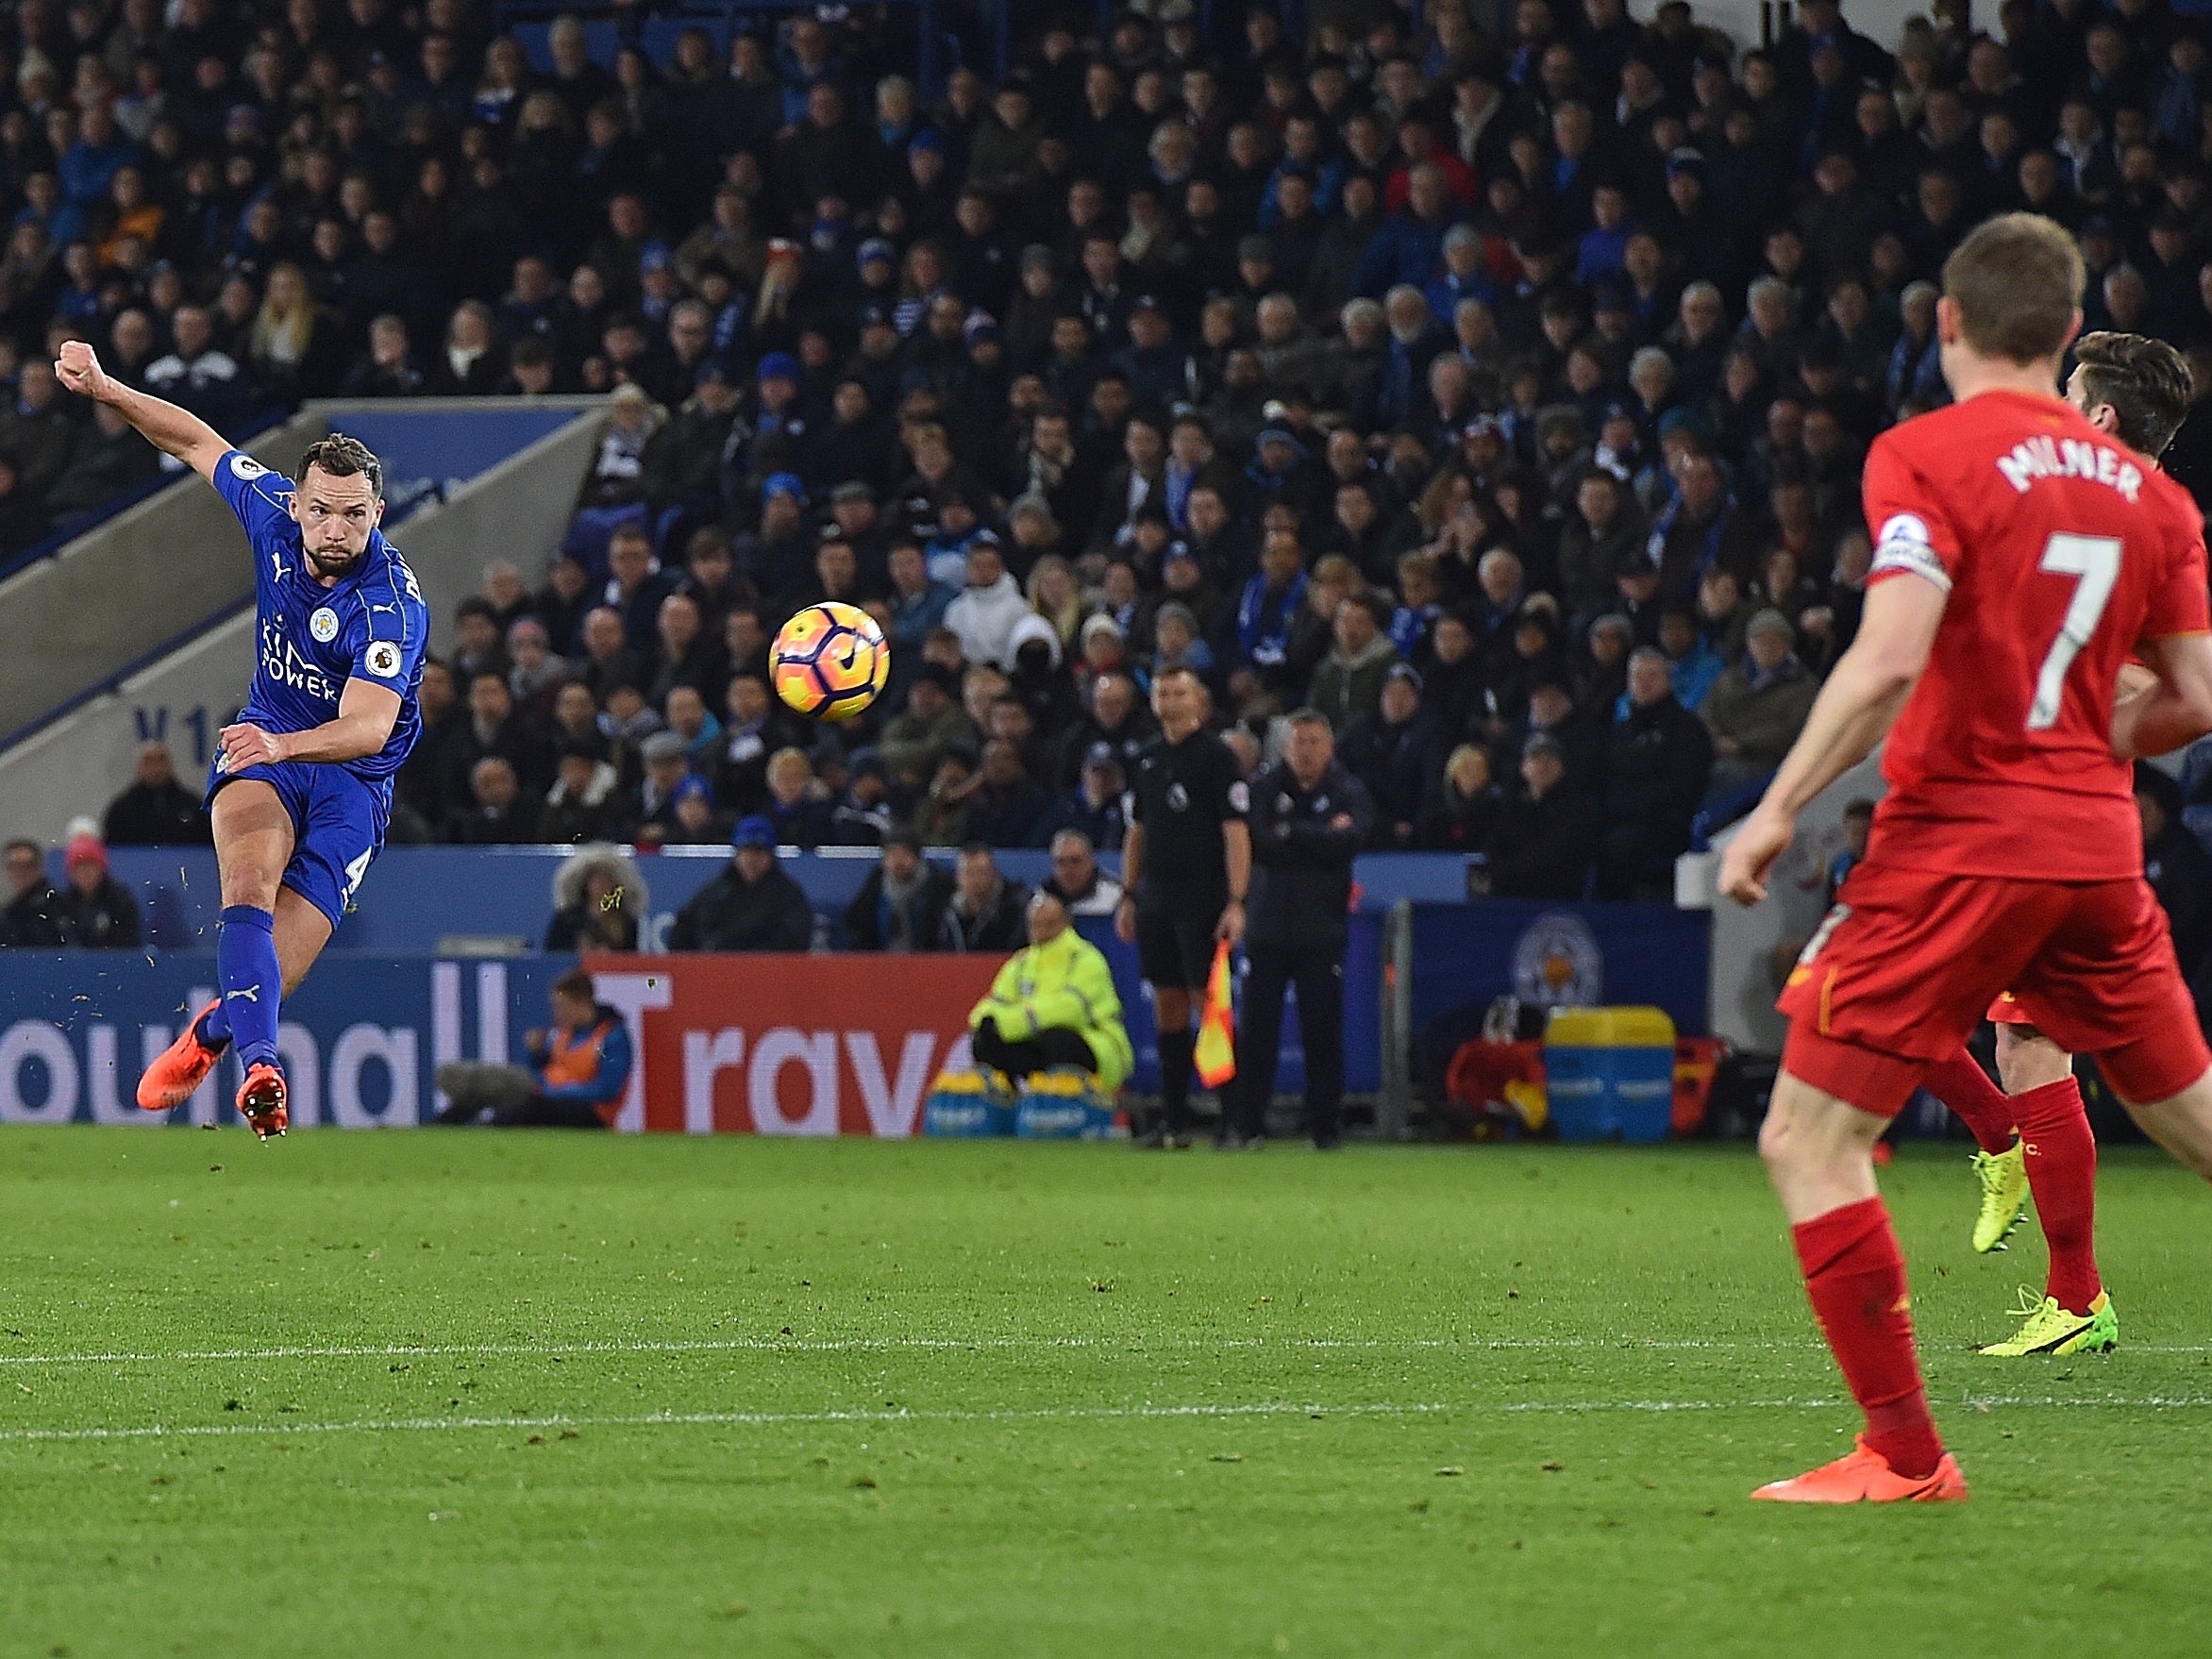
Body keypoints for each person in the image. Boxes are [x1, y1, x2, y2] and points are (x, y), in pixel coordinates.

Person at [1718, 215, 2212, 1504]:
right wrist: (2081, 743)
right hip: (2095, 847)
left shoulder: (1926, 454)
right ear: (2063, 342)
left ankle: (1905, 1453)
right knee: (2192, 1117)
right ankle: (2051, 1283)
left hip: (1962, 842)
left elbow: (1887, 659)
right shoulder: (2157, 497)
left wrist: (1777, 806)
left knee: (1808, 1138)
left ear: (1947, 323)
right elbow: (2199, 691)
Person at [1917, 327, 2203, 1328]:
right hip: (2022, 813)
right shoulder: (2139, 515)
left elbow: (2188, 693)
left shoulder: (2129, 521)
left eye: (2067, 391)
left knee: (1881, 1001)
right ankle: (2069, 1285)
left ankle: (2062, 1270)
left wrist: (2083, 716)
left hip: (2047, 825)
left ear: (2100, 417)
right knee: (2027, 1047)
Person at [76, 340, 429, 1139]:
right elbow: (195, 440)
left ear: (379, 512)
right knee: (245, 892)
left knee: (278, 967)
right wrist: (107, 388)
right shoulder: (271, 512)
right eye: (322, 509)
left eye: (355, 514)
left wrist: (283, 747)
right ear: (298, 503)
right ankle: (263, 1071)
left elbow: (369, 725)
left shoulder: (389, 609)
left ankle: (212, 1037)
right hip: (266, 743)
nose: (335, 528)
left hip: (352, 779)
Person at [1115, 665, 1251, 1148]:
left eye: (1180, 693)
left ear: (1199, 702)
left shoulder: (1217, 758)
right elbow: (1138, 832)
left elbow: (1235, 833)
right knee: (1167, 1001)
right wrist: (1129, 894)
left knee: (1208, 1003)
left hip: (1203, 895)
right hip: (1157, 895)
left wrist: (1236, 901)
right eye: (1163, 694)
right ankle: (1174, 1120)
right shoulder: (1147, 759)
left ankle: (1233, 1118)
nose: (1171, 702)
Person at [1230, 709, 1374, 1149]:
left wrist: (1291, 833)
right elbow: (1258, 842)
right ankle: (1248, 1124)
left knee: (1323, 1032)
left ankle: (1325, 1128)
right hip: (1267, 929)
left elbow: (1352, 840)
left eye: (1314, 742)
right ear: (1285, 747)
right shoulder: (1263, 789)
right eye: (1299, 742)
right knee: (1257, 1032)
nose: (1306, 751)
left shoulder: (1348, 790)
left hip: (1322, 931)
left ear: (1329, 748)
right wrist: (1317, 837)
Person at [967, 887, 1133, 1091]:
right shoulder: (1020, 963)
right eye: (1036, 924)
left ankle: (1067, 1107)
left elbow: (1071, 1010)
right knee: (986, 1037)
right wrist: (991, 1023)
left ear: (1066, 922)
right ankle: (1005, 1106)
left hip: (1098, 1047)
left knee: (1057, 1038)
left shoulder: (1086, 958)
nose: (1041, 929)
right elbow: (990, 1006)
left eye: (1049, 923)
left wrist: (1015, 1021)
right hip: (1038, 1041)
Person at [433, 967, 633, 1128]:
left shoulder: (610, 1036)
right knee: (492, 1092)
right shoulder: (565, 1034)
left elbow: (607, 1089)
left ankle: (485, 1130)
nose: (556, 1014)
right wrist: (536, 1053)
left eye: (561, 1006)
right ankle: (439, 1128)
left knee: (529, 1104)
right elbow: (544, 1069)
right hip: (551, 1098)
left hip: (591, 1111)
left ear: (583, 1004)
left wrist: (556, 1090)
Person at [667, 815, 815, 951]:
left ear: (770, 856)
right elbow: (684, 931)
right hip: (718, 972)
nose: (751, 860)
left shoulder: (788, 895)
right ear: (737, 854)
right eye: (746, 851)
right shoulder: (716, 891)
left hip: (771, 973)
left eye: (758, 852)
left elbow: (796, 939)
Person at [843, 829, 954, 950]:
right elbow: (857, 921)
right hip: (882, 961)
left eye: (904, 854)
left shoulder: (938, 883)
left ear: (917, 857)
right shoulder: (877, 880)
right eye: (892, 855)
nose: (898, 861)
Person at [102, 744, 211, 845]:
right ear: (139, 767)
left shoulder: (192, 805)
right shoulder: (121, 810)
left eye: (161, 760)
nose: (156, 767)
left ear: (170, 764)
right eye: (148, 761)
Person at [938, 844, 1029, 951]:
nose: (975, 880)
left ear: (993, 873)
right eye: (968, 873)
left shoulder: (1016, 907)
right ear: (958, 877)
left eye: (981, 872)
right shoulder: (945, 909)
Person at [58, 833, 141, 947]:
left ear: (102, 868)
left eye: (90, 865)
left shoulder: (120, 900)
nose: (85, 872)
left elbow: (126, 942)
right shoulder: (61, 903)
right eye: (79, 866)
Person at [1, 838, 67, 947]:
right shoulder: (9, 913)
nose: (21, 873)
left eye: (27, 866)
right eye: (15, 867)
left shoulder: (57, 905)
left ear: (39, 868)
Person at [1041, 830, 1123, 916]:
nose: (1068, 869)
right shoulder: (1041, 897)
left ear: (1091, 862)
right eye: (1060, 862)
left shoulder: (1117, 895)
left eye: (1075, 861)